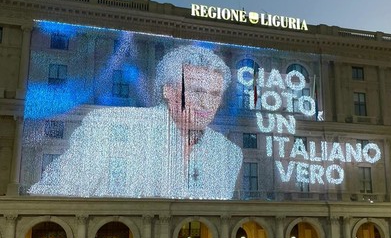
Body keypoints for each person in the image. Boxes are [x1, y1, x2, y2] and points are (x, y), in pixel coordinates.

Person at [29, 45, 243, 200]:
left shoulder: (229, 153)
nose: (207, 104)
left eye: (215, 95)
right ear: (168, 91)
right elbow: (50, 194)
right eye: (197, 92)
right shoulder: (108, 124)